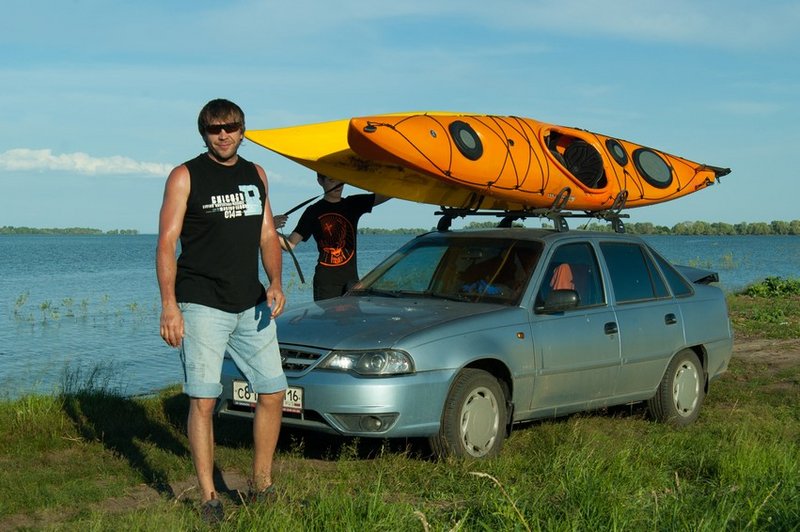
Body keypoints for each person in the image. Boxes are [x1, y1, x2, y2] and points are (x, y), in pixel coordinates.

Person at [156, 98, 286, 524]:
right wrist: (170, 306)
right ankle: (210, 496)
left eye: (231, 127)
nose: (224, 134)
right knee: (205, 400)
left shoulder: (256, 174)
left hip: (251, 303)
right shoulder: (185, 176)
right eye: (215, 129)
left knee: (272, 393)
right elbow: (166, 243)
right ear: (204, 133)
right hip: (200, 304)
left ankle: (261, 485)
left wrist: (276, 282)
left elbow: (268, 235)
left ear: (243, 129)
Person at [274, 173, 389, 301]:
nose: (338, 184)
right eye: (332, 180)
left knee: (351, 321)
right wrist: (270, 229)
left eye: (341, 180)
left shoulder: (353, 204)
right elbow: (290, 244)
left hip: (352, 283)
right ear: (320, 181)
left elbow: (389, 193)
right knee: (327, 321)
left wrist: (367, 180)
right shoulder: (313, 211)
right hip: (325, 284)